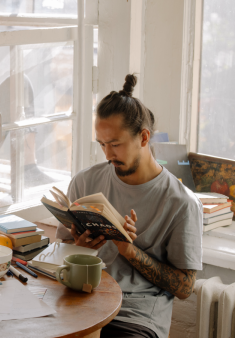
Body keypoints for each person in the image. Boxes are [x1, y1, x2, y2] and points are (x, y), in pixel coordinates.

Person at [56, 74, 202, 338]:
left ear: (143, 137)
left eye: (115, 144)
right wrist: (79, 248)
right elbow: (61, 254)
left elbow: (185, 288)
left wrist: (130, 251)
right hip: (82, 300)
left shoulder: (182, 203)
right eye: (102, 144)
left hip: (135, 316)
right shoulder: (85, 181)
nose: (108, 154)